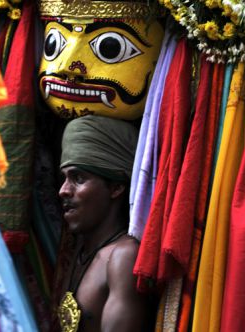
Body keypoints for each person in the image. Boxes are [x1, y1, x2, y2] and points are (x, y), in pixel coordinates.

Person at [57, 115, 146, 332]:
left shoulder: (123, 257)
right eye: (65, 178)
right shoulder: (79, 251)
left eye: (78, 179)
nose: (63, 190)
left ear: (116, 188)